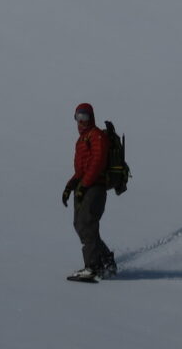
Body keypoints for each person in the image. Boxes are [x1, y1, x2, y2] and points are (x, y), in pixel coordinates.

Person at [62, 102, 116, 281]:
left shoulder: (97, 136)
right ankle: (106, 260)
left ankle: (93, 266)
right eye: (78, 117)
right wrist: (70, 187)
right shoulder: (82, 140)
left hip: (95, 187)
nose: (81, 121)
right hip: (85, 186)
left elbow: (97, 163)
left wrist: (84, 185)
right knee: (80, 225)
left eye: (84, 116)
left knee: (87, 223)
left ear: (91, 117)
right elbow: (80, 171)